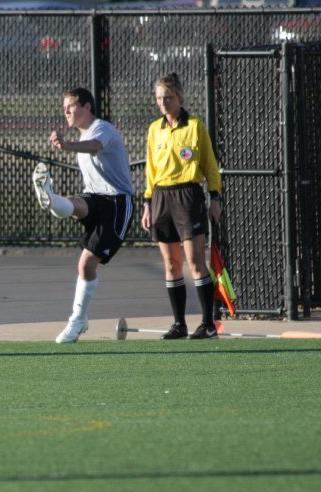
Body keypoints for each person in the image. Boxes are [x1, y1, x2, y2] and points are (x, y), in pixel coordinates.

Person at [31, 87, 134, 343]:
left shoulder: (102, 129)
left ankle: (78, 321)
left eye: (72, 105)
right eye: (64, 106)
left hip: (117, 204)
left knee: (86, 265)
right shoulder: (82, 138)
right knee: (73, 203)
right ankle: (50, 198)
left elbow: (95, 146)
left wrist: (66, 144)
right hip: (95, 198)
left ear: (87, 106)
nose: (66, 110)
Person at [141, 73, 222, 340]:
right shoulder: (155, 129)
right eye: (159, 98)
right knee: (171, 263)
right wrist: (147, 204)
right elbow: (151, 170)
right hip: (162, 198)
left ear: (179, 97)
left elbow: (209, 166)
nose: (163, 103)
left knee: (195, 262)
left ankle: (208, 323)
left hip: (188, 196)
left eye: (168, 98)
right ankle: (179, 324)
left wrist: (215, 198)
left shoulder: (195, 127)